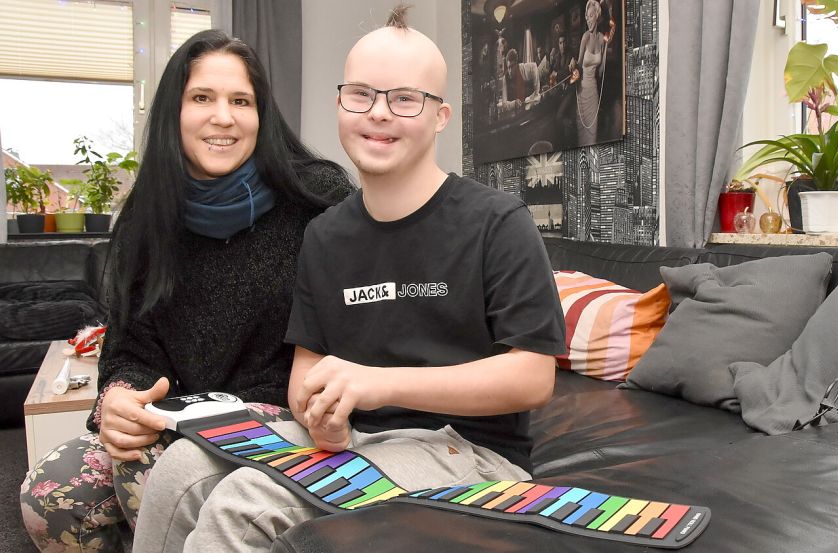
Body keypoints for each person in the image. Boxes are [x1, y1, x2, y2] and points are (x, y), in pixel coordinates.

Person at [130, 6, 566, 552]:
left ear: (441, 116)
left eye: (405, 98)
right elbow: (305, 375)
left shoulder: (497, 221)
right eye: (361, 94)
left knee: (246, 503)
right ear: (339, 104)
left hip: (471, 451)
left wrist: (377, 383)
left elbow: (532, 377)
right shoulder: (325, 234)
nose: (378, 113)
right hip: (359, 438)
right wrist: (321, 417)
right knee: (180, 470)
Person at [20, 29, 352, 553]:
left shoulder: (316, 198)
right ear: (175, 112)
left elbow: (357, 332)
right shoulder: (145, 219)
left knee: (152, 474)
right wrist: (119, 401)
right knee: (51, 492)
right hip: (173, 418)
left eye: (241, 101)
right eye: (202, 98)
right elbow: (128, 351)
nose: (223, 117)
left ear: (262, 116)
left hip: (287, 424)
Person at [575, 0, 607, 145]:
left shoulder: (601, 39)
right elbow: (578, 65)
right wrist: (572, 66)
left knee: (592, 137)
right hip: (582, 91)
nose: (588, 19)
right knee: (583, 137)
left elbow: (600, 72)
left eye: (591, 16)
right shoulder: (585, 37)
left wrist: (605, 50)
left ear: (597, 17)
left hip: (593, 92)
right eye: (586, 16)